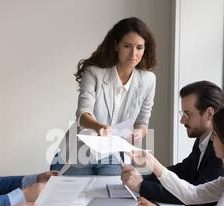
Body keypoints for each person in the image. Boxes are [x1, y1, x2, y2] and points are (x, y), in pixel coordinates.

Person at [121, 81, 224, 206]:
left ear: (209, 114)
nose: (182, 120)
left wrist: (142, 186)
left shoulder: (221, 151)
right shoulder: (204, 139)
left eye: (187, 114)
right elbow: (185, 170)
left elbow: (197, 199)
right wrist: (144, 178)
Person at [51, 17, 157, 175]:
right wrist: (100, 127)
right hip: (79, 150)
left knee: (114, 197)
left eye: (139, 47)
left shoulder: (148, 80)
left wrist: (139, 133)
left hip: (113, 155)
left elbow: (143, 121)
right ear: (116, 45)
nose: (133, 54)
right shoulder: (94, 72)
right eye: (127, 46)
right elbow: (83, 114)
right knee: (69, 196)